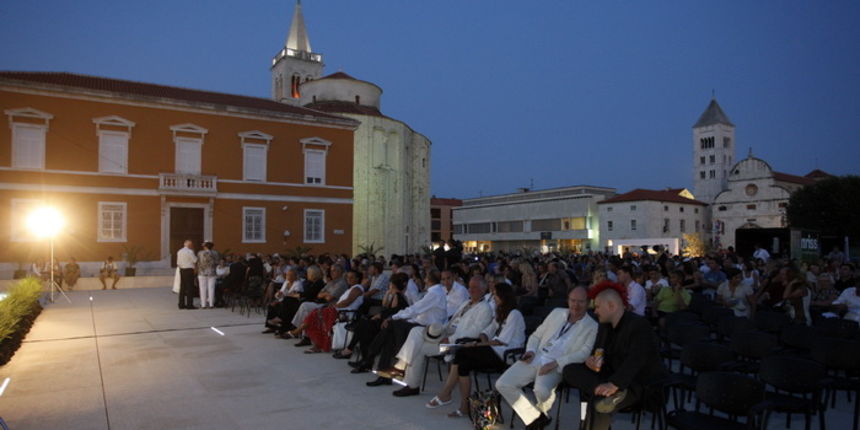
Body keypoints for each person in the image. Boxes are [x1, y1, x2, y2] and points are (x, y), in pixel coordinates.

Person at [562, 281, 668, 430]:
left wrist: (615, 384)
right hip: (610, 376)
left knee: (599, 403)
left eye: (598, 306)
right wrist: (591, 361)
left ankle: (608, 396)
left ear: (611, 306)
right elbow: (597, 353)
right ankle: (603, 394)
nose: (595, 310)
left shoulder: (639, 325)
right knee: (569, 370)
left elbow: (636, 361)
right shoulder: (604, 325)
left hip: (638, 385)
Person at [495, 286, 598, 429]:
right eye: (573, 300)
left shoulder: (592, 326)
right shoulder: (557, 313)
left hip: (557, 364)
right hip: (536, 356)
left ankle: (536, 419)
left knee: (541, 391)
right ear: (568, 300)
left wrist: (555, 363)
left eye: (580, 301)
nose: (576, 305)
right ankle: (536, 418)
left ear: (588, 303)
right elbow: (536, 335)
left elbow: (583, 353)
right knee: (503, 383)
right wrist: (530, 351)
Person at [428, 282, 525, 418]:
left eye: (495, 294)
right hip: (493, 349)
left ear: (503, 296)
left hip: (505, 354)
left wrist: (477, 345)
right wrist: (482, 339)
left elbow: (501, 341)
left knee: (462, 352)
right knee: (463, 360)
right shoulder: (501, 313)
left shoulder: (514, 314)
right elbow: (487, 331)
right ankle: (461, 404)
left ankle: (450, 396)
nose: (493, 297)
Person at [387, 275, 494, 397]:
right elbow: (451, 322)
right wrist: (440, 330)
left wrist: (450, 339)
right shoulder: (466, 303)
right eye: (469, 287)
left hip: (455, 346)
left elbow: (475, 332)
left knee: (419, 348)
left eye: (474, 287)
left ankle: (406, 376)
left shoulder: (485, 309)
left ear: (483, 290)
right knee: (416, 331)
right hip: (445, 335)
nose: (470, 290)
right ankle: (406, 374)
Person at [351, 269, 448, 385]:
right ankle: (382, 373)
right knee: (389, 337)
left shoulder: (434, 293)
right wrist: (395, 317)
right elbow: (417, 312)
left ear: (428, 279)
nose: (424, 280)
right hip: (420, 324)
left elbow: (415, 309)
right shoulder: (435, 292)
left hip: (426, 329)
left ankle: (370, 358)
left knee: (390, 326)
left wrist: (393, 317)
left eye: (426, 277)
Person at [335, 273, 411, 359]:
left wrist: (379, 315)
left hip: (388, 323)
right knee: (362, 327)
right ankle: (357, 355)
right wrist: (387, 293)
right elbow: (385, 305)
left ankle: (352, 352)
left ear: (392, 285)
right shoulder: (394, 295)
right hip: (385, 320)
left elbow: (392, 312)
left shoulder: (398, 296)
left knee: (363, 327)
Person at [287, 269, 365, 353]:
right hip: (338, 311)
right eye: (348, 277)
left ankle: (299, 332)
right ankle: (312, 341)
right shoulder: (351, 288)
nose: (349, 279)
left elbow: (347, 302)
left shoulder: (357, 288)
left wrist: (334, 306)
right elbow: (320, 295)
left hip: (345, 314)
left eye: (351, 277)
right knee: (314, 314)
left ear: (357, 279)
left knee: (315, 315)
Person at [176, 240, 197, 309]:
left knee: (182, 287)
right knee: (190, 287)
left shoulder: (179, 251)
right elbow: (195, 260)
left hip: (182, 270)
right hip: (189, 270)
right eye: (191, 244)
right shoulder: (190, 251)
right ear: (189, 245)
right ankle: (189, 305)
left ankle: (181, 304)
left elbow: (178, 263)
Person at [197, 242, 217, 309]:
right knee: (211, 288)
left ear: (205, 247)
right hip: (212, 272)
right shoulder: (215, 253)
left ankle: (203, 305)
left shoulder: (200, 253)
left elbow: (198, 261)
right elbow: (217, 262)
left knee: (202, 289)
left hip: (202, 272)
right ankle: (211, 304)